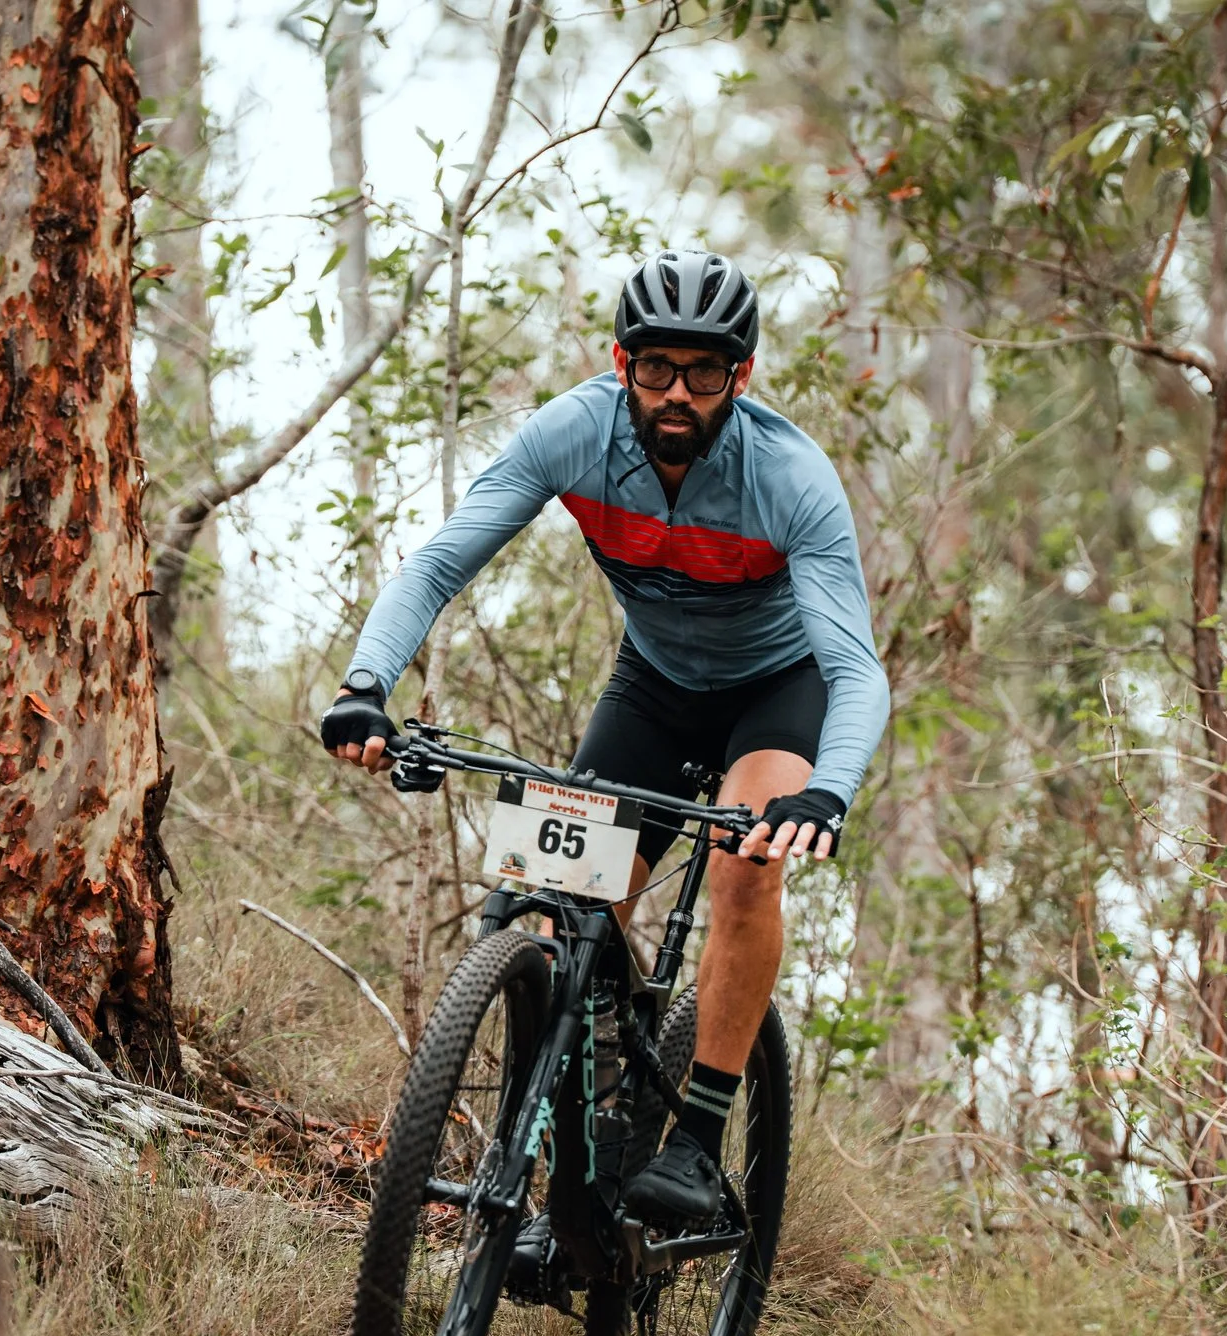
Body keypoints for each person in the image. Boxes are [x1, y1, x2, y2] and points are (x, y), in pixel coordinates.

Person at [319, 248, 892, 1228]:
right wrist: (367, 685)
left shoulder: (791, 477)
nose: (676, 393)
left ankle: (697, 1145)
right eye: (656, 367)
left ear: (740, 377)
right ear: (619, 361)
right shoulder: (574, 433)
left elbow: (853, 668)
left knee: (742, 859)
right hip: (655, 689)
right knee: (561, 909)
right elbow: (440, 561)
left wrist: (826, 790)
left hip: (773, 690)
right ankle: (596, 1140)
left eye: (702, 372)